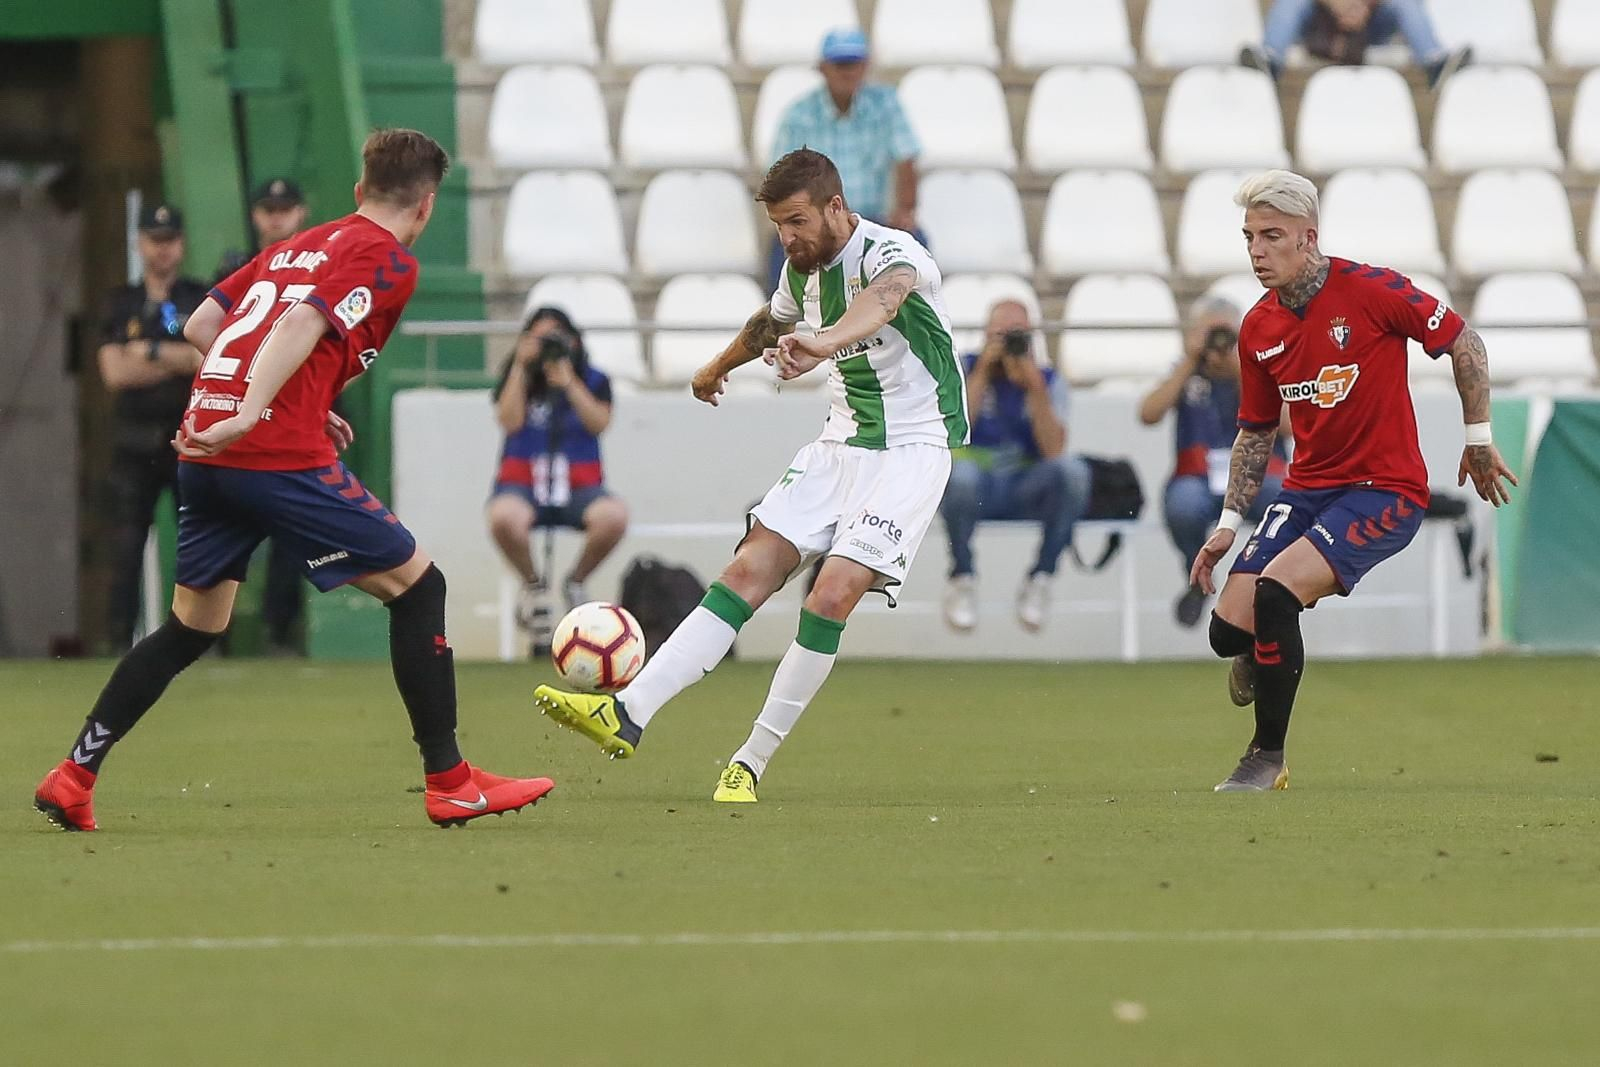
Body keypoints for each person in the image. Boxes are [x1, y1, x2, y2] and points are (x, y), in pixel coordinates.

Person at [33, 129, 554, 832]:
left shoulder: (298, 244)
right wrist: (257, 408)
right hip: (266, 452)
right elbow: (306, 320)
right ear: (427, 205)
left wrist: (297, 398)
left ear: (358, 190)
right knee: (418, 587)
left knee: (193, 625)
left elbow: (203, 322)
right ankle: (452, 781)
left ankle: (74, 773)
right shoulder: (386, 257)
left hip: (206, 451)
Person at [535, 148, 965, 804]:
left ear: (836, 207)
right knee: (745, 572)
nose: (787, 238)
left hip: (913, 447)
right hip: (840, 444)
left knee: (830, 595)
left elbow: (886, 299)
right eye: (777, 226)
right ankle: (626, 711)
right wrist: (717, 367)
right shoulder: (804, 270)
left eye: (797, 221)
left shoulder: (894, 255)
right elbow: (773, 320)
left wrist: (821, 344)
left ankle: (751, 760)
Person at [1190, 170, 1516, 793]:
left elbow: (1462, 339)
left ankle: (1265, 757)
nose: (1257, 251)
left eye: (1272, 236)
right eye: (1249, 237)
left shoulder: (1371, 289)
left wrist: (1477, 437)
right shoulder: (1258, 327)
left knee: (1277, 595)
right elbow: (1257, 432)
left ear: (1308, 238)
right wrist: (1229, 525)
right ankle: (1254, 652)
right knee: (1226, 630)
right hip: (1306, 490)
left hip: (1385, 489)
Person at [940, 299, 1091, 633]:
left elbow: (1054, 450)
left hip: (1027, 483)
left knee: (1073, 472)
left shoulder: (1047, 379)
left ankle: (1041, 577)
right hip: (976, 484)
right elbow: (953, 433)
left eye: (1016, 335)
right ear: (985, 334)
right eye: (1000, 334)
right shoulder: (964, 367)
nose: (1007, 342)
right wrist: (982, 373)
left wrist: (1034, 388)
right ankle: (962, 576)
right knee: (959, 475)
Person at [1139, 296, 1289, 628]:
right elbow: (1148, 413)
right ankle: (1197, 572)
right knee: (1183, 505)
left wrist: (1244, 371)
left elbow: (1292, 427)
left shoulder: (1262, 368)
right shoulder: (1186, 372)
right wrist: (1191, 360)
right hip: (1199, 476)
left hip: (1258, 475)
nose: (1220, 343)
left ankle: (1264, 582)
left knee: (1286, 505)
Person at [97, 203, 208, 652]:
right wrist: (177, 358)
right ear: (140, 243)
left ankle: (198, 638)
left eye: (170, 240)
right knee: (125, 546)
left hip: (187, 441)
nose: (162, 250)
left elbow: (205, 361)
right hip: (133, 442)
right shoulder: (120, 301)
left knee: (196, 547)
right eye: (153, 240)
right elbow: (114, 374)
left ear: (181, 244)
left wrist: (149, 353)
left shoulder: (200, 299)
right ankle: (115, 641)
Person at [216, 177, 313, 654]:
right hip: (245, 414)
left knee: (287, 532)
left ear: (301, 212)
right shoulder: (240, 268)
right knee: (229, 526)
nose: (276, 218)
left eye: (285, 208)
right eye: (268, 209)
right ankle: (218, 632)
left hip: (283, 412)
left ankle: (279, 627)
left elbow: (200, 330)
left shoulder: (318, 268)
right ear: (255, 213)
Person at [487, 305, 627, 625]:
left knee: (613, 516)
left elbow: (598, 423)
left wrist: (569, 383)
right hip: (523, 483)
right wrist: (521, 367)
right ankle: (533, 584)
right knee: (504, 516)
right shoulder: (518, 377)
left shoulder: (593, 379)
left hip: (579, 484)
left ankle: (576, 581)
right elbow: (508, 421)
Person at [767, 28, 920, 285]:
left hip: (876, 221)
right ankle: (782, 320)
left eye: (853, 63)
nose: (847, 71)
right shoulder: (799, 114)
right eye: (840, 63)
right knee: (780, 252)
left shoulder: (886, 104)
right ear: (823, 68)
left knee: (916, 245)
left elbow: (906, 159)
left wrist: (904, 210)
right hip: (819, 223)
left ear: (865, 67)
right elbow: (781, 177)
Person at [1241, 0, 1471, 88]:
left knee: (1405, 4)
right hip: (1319, 23)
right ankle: (1270, 60)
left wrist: (1362, 6)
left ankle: (1434, 62)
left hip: (1370, 21)